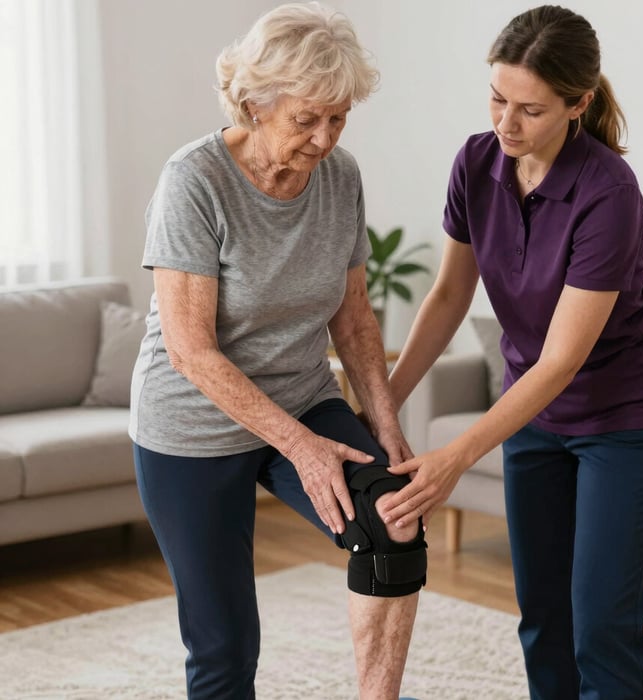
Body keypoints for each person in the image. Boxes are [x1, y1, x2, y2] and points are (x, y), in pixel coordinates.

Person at [382, 5, 643, 699]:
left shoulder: (607, 191)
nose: (506, 124)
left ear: (579, 103)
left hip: (622, 422)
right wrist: (386, 399)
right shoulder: (477, 161)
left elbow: (562, 360)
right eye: (496, 98)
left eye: (530, 109)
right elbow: (450, 296)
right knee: (542, 618)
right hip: (535, 420)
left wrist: (454, 457)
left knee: (601, 627)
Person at [128, 4, 426, 699]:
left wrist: (386, 428)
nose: (324, 138)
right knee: (225, 646)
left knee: (393, 524)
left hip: (301, 395)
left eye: (339, 118)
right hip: (194, 425)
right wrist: (302, 447)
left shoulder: (340, 177)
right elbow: (191, 350)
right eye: (306, 119)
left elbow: (352, 321)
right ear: (256, 103)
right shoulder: (194, 181)